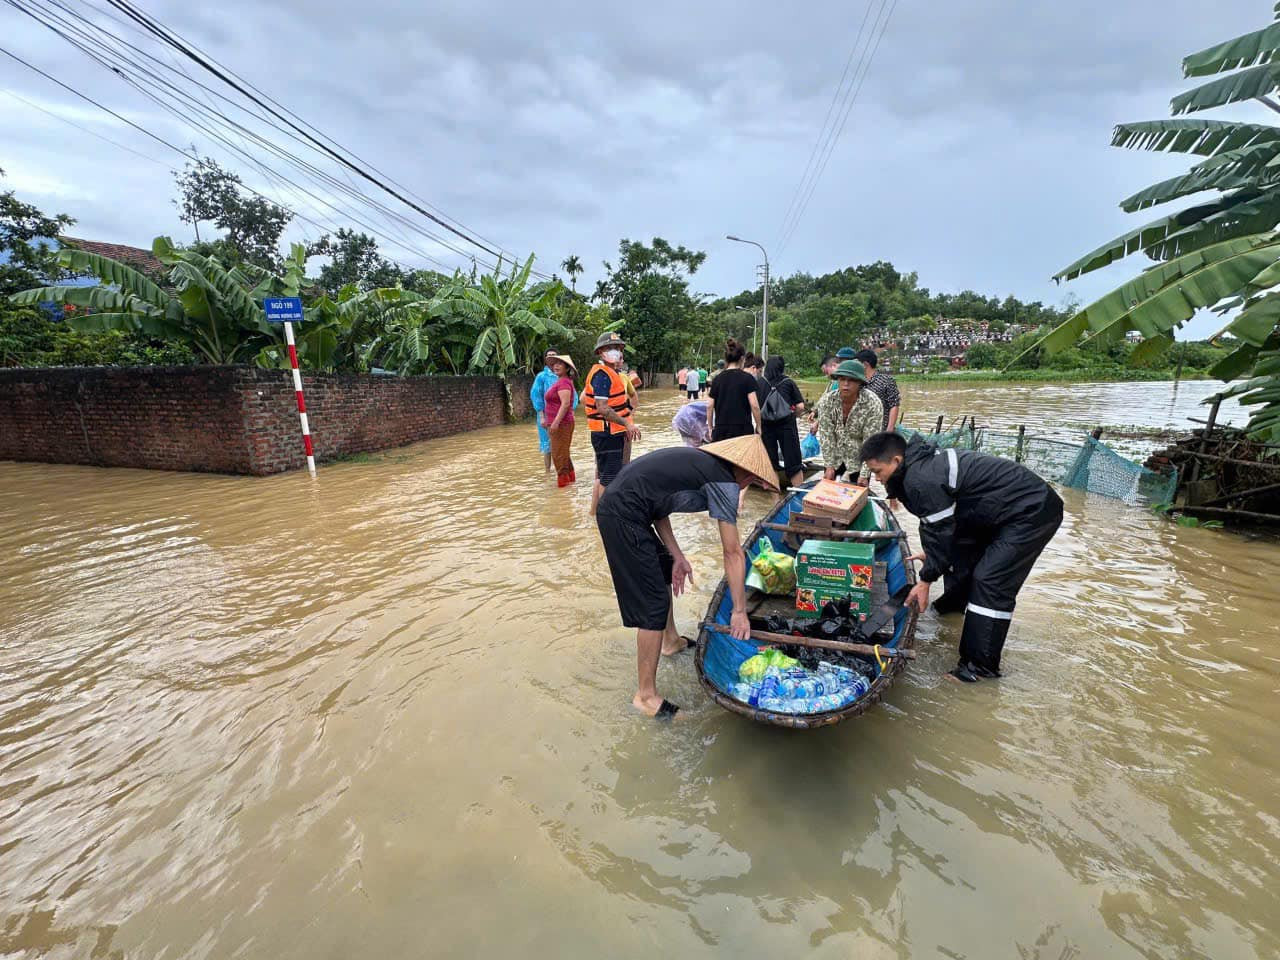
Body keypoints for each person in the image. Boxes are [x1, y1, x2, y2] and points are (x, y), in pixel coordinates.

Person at [595, 435, 780, 717]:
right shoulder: (724, 482)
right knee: (653, 604)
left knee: (663, 568)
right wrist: (739, 611)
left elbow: (658, 506)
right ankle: (645, 696)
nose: (748, 486)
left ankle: (670, 641)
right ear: (746, 473)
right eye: (753, 481)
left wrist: (677, 556)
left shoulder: (700, 465)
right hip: (621, 514)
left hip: (628, 507)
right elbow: (733, 552)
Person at [860, 431, 1064, 683]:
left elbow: (940, 529)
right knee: (961, 559)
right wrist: (933, 555)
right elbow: (937, 525)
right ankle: (950, 610)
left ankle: (979, 669)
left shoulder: (921, 479)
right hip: (990, 512)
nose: (877, 479)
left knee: (989, 581)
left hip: (1030, 511)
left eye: (878, 472)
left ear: (896, 461)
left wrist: (926, 579)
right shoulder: (917, 468)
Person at [583, 332, 641, 516]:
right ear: (601, 352)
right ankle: (605, 517)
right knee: (609, 479)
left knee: (605, 476)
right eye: (610, 348)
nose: (615, 351)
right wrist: (627, 423)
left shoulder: (612, 374)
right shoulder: (602, 375)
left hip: (610, 432)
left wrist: (627, 418)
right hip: (607, 433)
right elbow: (602, 408)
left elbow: (628, 400)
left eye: (617, 348)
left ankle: (596, 515)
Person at [814, 359, 883, 485]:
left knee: (859, 493)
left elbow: (871, 441)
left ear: (860, 382)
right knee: (829, 491)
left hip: (859, 459)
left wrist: (865, 473)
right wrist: (829, 465)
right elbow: (826, 436)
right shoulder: (827, 401)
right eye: (842, 379)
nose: (846, 384)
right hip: (835, 457)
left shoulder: (873, 403)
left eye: (851, 380)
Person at [757, 355, 806, 493]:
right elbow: (800, 406)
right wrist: (793, 416)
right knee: (794, 463)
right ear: (782, 368)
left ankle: (775, 499)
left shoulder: (760, 383)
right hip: (787, 426)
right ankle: (799, 494)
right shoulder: (788, 382)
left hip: (766, 427)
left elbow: (755, 406)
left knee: (770, 463)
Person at [706, 339, 761, 442]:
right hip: (743, 430)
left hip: (721, 430)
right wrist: (758, 426)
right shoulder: (748, 378)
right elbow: (754, 405)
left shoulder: (717, 379)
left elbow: (709, 406)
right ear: (742, 359)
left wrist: (710, 427)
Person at [544, 353, 577, 487]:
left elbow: (565, 404)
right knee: (563, 454)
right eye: (554, 364)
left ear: (567, 368)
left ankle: (563, 487)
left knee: (558, 455)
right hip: (560, 423)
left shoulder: (563, 382)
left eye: (559, 364)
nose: (556, 366)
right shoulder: (562, 381)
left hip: (561, 424)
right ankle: (570, 483)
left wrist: (556, 422)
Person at [856, 349, 901, 431]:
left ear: (865, 364)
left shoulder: (886, 380)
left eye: (857, 364)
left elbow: (894, 405)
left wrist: (889, 429)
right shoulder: (857, 382)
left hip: (881, 430)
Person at [530, 349, 560, 473]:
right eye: (549, 355)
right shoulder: (541, 377)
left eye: (554, 355)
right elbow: (536, 396)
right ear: (545, 359)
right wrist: (542, 416)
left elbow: (572, 397)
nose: (551, 357)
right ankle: (548, 472)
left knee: (561, 444)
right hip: (546, 415)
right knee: (547, 445)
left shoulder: (563, 375)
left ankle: (560, 471)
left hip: (561, 415)